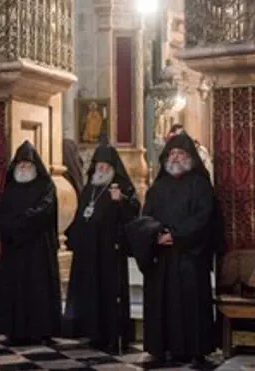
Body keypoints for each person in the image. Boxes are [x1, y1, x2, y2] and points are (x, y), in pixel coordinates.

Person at [130, 132, 218, 368]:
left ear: (190, 157)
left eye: (181, 153)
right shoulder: (158, 187)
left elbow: (203, 218)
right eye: (172, 153)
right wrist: (155, 235)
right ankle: (160, 349)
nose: (176, 157)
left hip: (189, 255)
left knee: (192, 304)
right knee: (161, 303)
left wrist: (176, 236)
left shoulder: (200, 185)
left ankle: (196, 351)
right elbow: (146, 217)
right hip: (162, 256)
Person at [63, 143, 141, 353]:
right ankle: (92, 332)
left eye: (107, 165)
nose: (102, 168)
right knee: (90, 291)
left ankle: (111, 334)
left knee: (108, 293)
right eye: (99, 164)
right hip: (88, 251)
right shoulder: (90, 188)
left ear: (114, 167)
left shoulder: (122, 187)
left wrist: (121, 201)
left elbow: (133, 213)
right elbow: (81, 214)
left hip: (109, 251)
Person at [0, 141, 62, 344]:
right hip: (14, 249)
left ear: (35, 166)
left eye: (27, 164)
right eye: (20, 165)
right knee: (15, 289)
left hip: (37, 249)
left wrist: (19, 224)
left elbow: (44, 211)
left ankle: (40, 330)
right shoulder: (10, 188)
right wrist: (11, 227)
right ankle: (15, 331)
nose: (23, 168)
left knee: (37, 289)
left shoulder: (46, 186)